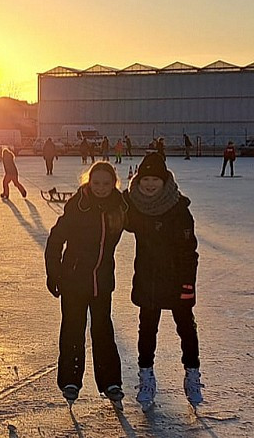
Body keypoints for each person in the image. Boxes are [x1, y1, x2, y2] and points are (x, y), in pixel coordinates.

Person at [123, 153, 203, 406]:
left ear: (165, 180)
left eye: (155, 179)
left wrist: (188, 285)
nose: (149, 184)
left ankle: (192, 374)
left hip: (177, 279)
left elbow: (189, 251)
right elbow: (113, 213)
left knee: (186, 328)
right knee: (147, 330)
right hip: (148, 278)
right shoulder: (134, 206)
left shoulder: (179, 210)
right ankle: (146, 376)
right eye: (145, 178)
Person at [45, 161, 129, 403]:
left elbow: (144, 221)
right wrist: (54, 272)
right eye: (96, 183)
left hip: (102, 282)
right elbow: (55, 239)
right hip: (73, 280)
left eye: (106, 183)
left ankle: (111, 382)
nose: (101, 188)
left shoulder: (120, 207)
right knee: (73, 329)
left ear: (114, 184)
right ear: (88, 182)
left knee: (103, 330)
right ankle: (70, 380)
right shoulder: (77, 206)